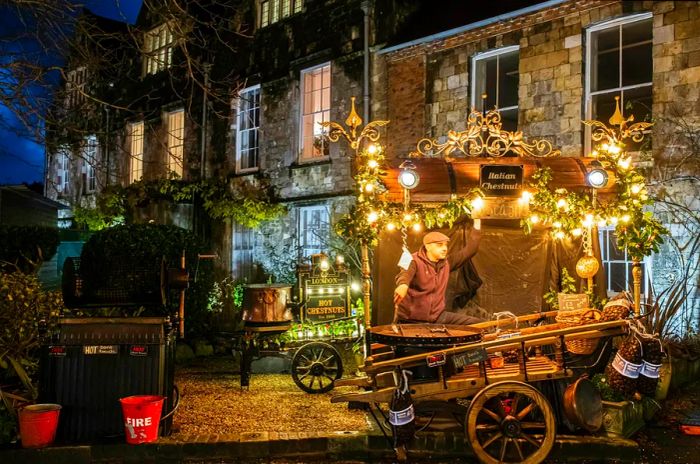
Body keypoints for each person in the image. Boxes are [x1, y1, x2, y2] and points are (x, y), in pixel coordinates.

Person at [393, 219, 483, 325]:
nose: (445, 248)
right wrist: (403, 285)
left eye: (445, 245)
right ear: (428, 247)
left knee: (477, 324)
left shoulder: (447, 263)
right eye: (440, 245)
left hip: (437, 317)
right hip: (411, 320)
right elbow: (405, 273)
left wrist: (477, 220)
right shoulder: (412, 259)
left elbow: (471, 249)